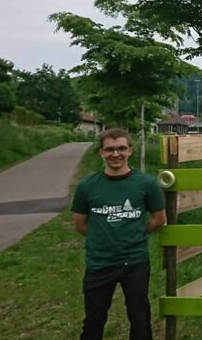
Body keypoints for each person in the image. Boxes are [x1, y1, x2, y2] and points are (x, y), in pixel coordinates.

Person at [71, 128, 166, 340]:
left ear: (130, 151)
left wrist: (134, 234)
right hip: (100, 262)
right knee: (94, 319)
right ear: (101, 153)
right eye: (110, 150)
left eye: (121, 149)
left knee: (140, 318)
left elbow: (159, 218)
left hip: (135, 261)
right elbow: (79, 223)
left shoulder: (146, 184)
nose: (116, 154)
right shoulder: (87, 186)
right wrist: (102, 237)